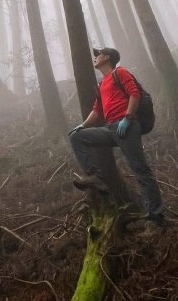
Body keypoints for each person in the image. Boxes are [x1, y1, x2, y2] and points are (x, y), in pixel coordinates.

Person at [68, 47, 165, 226]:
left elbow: (134, 94)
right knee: (76, 137)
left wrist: (127, 118)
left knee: (140, 170)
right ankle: (96, 177)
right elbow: (97, 110)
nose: (95, 58)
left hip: (127, 128)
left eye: (98, 55)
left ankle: (156, 217)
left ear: (107, 57)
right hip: (110, 129)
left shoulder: (119, 73)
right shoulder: (101, 85)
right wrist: (82, 126)